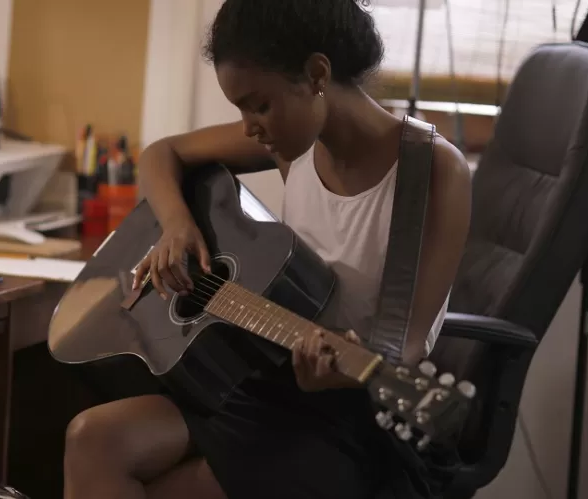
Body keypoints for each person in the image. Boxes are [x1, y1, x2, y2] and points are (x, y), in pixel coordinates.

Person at [62, 1, 471, 498]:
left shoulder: (432, 173)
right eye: (240, 109)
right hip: (264, 379)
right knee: (91, 438)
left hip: (354, 409)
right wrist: (175, 226)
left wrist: (336, 373)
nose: (250, 125)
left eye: (258, 105)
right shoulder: (290, 146)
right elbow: (159, 155)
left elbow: (402, 350)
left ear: (316, 74)